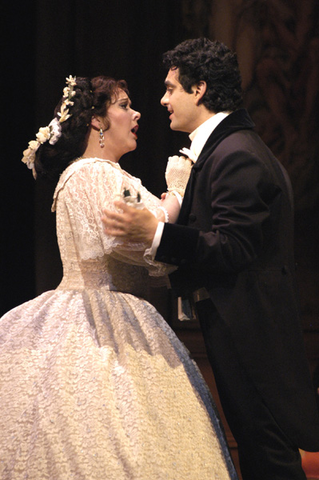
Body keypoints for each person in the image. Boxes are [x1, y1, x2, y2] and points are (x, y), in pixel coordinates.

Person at [0, 74, 238, 480]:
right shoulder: (96, 172)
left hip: (105, 306)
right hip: (102, 314)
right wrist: (177, 194)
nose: (136, 112)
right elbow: (123, 239)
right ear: (96, 120)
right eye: (124, 104)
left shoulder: (94, 173)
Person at [102, 38, 319, 479]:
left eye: (170, 89)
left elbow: (233, 247)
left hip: (251, 332)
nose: (162, 100)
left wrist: (157, 233)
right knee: (260, 452)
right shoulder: (228, 149)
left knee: (269, 457)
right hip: (242, 327)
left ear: (198, 90)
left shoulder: (236, 154)